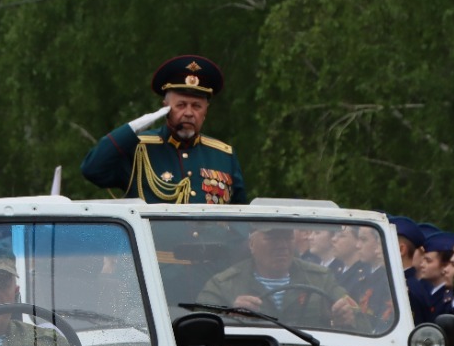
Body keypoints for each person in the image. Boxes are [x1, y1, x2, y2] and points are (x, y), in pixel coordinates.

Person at [80, 55, 246, 204]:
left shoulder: (224, 155)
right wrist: (132, 128)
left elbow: (241, 218)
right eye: (180, 105)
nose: (189, 113)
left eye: (196, 106)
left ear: (205, 111)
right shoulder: (140, 149)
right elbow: (92, 169)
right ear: (165, 108)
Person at [197, 225, 357, 328]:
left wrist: (345, 319)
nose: (282, 246)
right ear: (252, 244)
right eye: (272, 238)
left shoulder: (321, 279)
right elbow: (198, 327)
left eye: (287, 238)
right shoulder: (224, 284)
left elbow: (361, 322)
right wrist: (230, 317)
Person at [388, 217, 439, 324]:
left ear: (401, 250)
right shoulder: (403, 283)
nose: (377, 249)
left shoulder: (409, 291)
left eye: (385, 244)